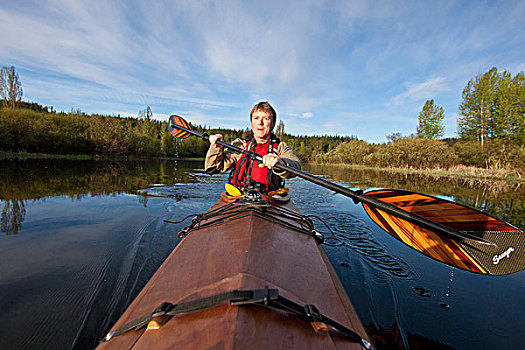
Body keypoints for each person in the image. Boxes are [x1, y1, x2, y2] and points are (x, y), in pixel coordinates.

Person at [205, 101, 301, 194]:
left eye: (266, 118)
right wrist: (216, 147)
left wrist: (280, 162)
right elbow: (212, 168)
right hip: (240, 197)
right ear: (251, 122)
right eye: (256, 118)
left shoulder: (281, 147)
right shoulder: (240, 145)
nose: (260, 122)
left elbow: (296, 166)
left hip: (269, 198)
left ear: (273, 124)